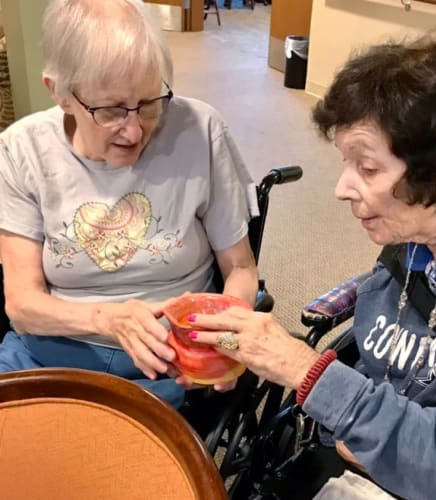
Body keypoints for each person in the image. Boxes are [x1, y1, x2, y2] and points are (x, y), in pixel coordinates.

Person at [188, 37, 436, 499]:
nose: (341, 188)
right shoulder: (413, 239)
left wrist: (306, 371)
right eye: (345, 162)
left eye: (368, 168)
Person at [0, 0, 258, 409]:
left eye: (151, 103)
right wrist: (107, 319)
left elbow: (241, 270)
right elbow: (21, 305)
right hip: (56, 352)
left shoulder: (201, 129)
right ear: (61, 93)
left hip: (174, 357)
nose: (135, 130)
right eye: (112, 110)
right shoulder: (22, 149)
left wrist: (222, 341)